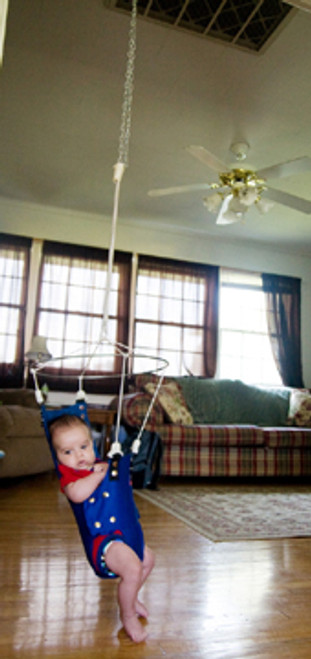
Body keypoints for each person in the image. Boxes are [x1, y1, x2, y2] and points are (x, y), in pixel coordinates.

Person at [49, 414, 155, 643]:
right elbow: (77, 494)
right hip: (103, 542)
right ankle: (127, 615)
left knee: (148, 560)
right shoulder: (71, 478)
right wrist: (97, 477)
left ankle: (132, 596)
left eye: (83, 447)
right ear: (57, 457)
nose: (78, 455)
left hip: (125, 531)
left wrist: (106, 470)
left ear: (93, 444)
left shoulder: (100, 464)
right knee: (133, 569)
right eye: (67, 452)